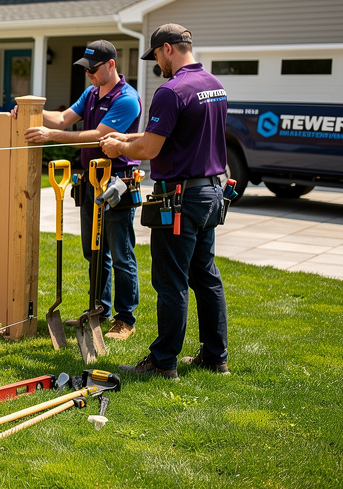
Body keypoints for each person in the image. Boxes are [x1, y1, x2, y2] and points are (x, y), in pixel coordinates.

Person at [100, 23, 230, 380]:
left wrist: (119, 146)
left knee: (171, 280)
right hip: (210, 193)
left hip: (181, 198)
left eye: (156, 54)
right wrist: (130, 134)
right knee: (205, 276)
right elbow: (174, 133)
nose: (157, 62)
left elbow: (150, 148)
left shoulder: (171, 91)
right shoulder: (213, 86)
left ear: (169, 48)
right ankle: (215, 356)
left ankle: (163, 361)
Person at [13, 40, 142, 340]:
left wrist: (50, 136)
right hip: (90, 179)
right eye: (86, 71)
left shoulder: (127, 99)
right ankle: (99, 311)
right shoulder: (92, 93)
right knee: (94, 252)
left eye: (93, 70)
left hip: (117, 180)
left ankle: (126, 320)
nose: (89, 76)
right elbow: (62, 118)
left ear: (111, 65)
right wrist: (30, 110)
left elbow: (96, 138)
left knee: (120, 252)